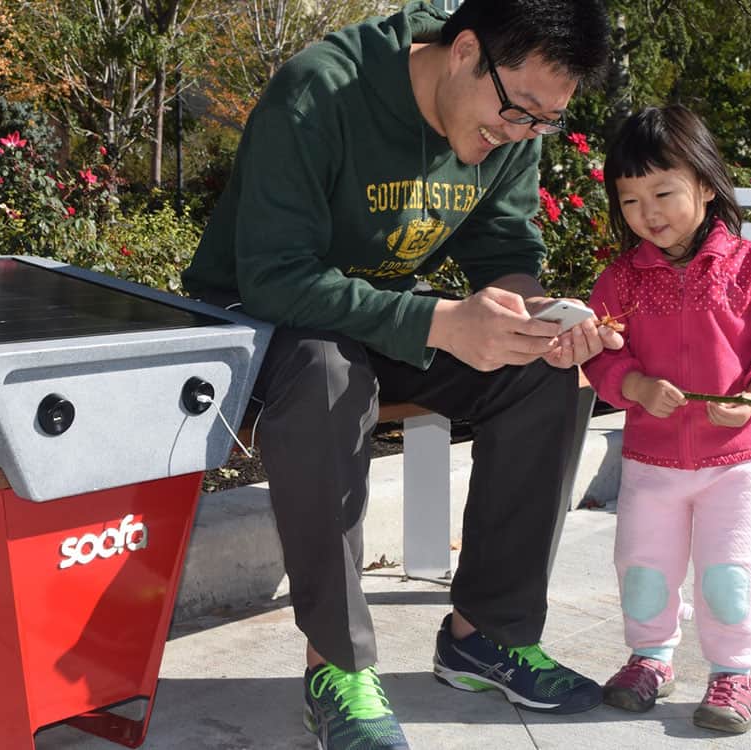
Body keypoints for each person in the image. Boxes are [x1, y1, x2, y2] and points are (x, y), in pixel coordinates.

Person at [182, 1, 618, 746]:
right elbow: (274, 276)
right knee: (328, 372)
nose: (520, 133)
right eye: (517, 111)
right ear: (464, 51)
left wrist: (541, 319)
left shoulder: (514, 117)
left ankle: (487, 635)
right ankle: (338, 664)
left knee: (543, 375)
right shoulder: (320, 91)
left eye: (545, 121)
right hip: (257, 318)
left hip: (376, 316)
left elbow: (503, 246)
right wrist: (439, 322)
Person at [581, 105, 751, 735]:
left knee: (728, 573)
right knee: (642, 566)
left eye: (662, 192)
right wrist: (630, 383)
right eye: (630, 201)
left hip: (736, 463)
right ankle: (650, 657)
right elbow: (605, 353)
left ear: (706, 186)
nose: (647, 213)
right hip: (651, 462)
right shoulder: (620, 281)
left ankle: (733, 669)